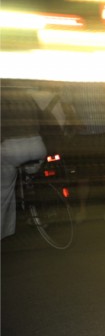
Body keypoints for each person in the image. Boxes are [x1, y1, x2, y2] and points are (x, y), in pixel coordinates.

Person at [61, 81, 105, 222]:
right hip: (84, 133)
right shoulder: (72, 79)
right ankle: (82, 210)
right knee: (83, 175)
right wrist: (73, 118)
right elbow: (65, 102)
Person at [1, 85, 48, 239]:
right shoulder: (27, 98)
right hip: (37, 146)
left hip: (13, 148)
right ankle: (35, 205)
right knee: (30, 173)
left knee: (4, 191)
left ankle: (4, 231)